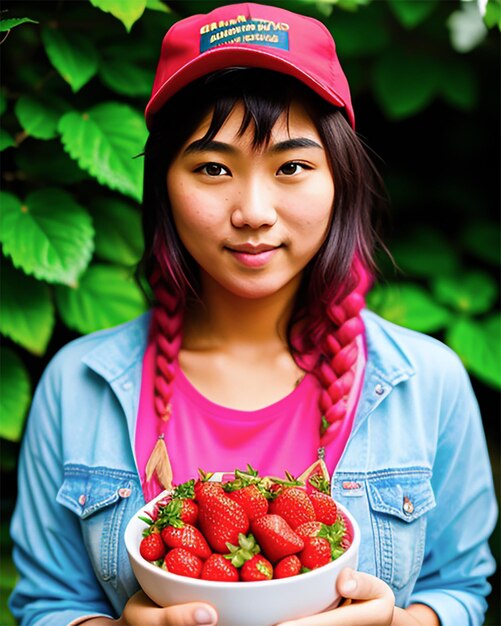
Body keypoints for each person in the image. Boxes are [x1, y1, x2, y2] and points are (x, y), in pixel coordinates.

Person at [9, 3, 497, 626]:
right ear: (163, 185)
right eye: (213, 168)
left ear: (339, 178)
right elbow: (49, 604)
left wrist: (397, 622)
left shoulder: (428, 381)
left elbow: (458, 589)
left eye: (291, 166)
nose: (254, 211)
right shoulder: (77, 386)